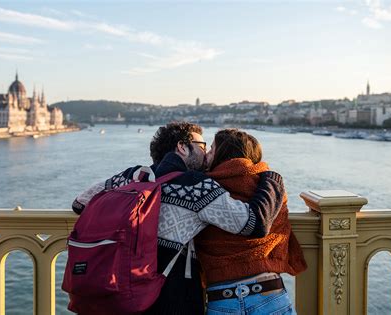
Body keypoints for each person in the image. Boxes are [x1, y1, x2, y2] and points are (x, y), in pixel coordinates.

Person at [71, 122, 286, 314]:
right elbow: (254, 224)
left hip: (119, 289)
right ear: (183, 147)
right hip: (173, 298)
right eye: (202, 146)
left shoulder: (133, 175)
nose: (206, 154)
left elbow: (80, 203)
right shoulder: (196, 186)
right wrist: (271, 179)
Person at [195, 129, 307, 315]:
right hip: (269, 293)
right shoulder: (271, 187)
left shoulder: (203, 190)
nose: (207, 155)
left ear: (224, 153)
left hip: (221, 297)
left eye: (212, 149)